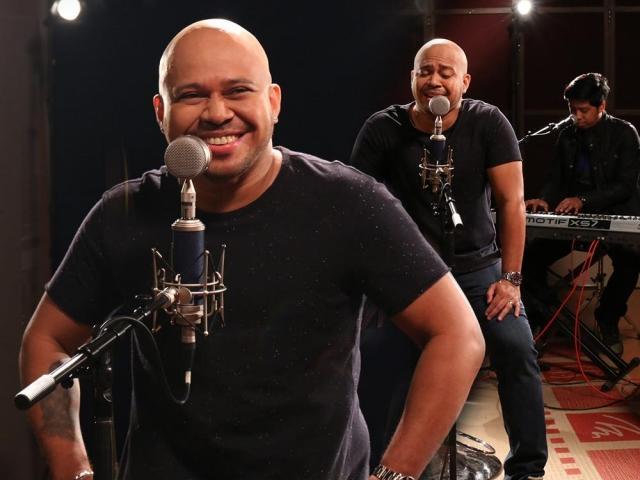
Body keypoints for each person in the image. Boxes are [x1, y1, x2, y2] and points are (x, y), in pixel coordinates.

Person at [19, 20, 485, 480]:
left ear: (273, 102)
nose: (217, 113)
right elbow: (47, 340)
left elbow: (458, 335)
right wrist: (73, 470)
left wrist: (395, 476)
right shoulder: (123, 213)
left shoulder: (348, 202)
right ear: (161, 111)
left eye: (238, 90)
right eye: (192, 95)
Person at [351, 38, 547, 480]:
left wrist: (511, 279)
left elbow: (511, 203)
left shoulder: (488, 122)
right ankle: (387, 465)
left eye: (445, 72)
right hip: (413, 274)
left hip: (480, 269)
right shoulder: (383, 128)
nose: (434, 80)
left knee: (516, 350)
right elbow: (360, 208)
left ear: (465, 81)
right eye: (425, 71)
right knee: (384, 356)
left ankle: (528, 469)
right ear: (412, 78)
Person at [524, 72, 640, 354]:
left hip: (614, 213)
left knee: (630, 263)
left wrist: (583, 200)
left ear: (602, 106)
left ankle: (607, 318)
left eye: (583, 110)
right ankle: (546, 316)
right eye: (572, 109)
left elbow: (625, 185)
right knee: (529, 260)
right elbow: (555, 178)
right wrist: (545, 200)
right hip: (575, 217)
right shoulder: (567, 135)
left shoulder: (625, 133)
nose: (576, 116)